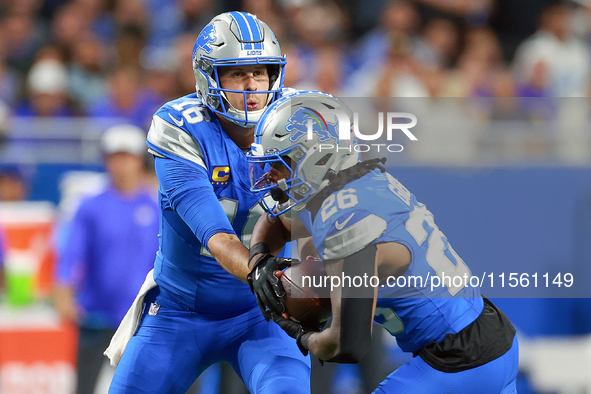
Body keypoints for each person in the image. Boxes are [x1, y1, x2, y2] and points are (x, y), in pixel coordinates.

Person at [246, 91, 519, 393]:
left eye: (278, 163)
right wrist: (258, 262)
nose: (269, 176)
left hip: (459, 358)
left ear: (314, 159)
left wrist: (299, 334)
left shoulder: (344, 222)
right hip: (490, 334)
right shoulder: (347, 186)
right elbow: (276, 223)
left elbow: (346, 345)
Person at [107, 12, 310, 393]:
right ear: (208, 77)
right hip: (179, 312)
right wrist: (257, 270)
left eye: (261, 72)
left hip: (261, 312)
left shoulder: (302, 121)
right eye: (237, 73)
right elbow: (215, 234)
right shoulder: (179, 126)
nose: (252, 85)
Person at [54, 124, 159, 394]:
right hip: (95, 314)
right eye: (116, 157)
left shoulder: (155, 207)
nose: (122, 164)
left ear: (140, 161)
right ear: (106, 160)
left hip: (139, 317)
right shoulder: (89, 205)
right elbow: (72, 252)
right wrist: (64, 293)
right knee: (85, 386)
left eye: (128, 156)